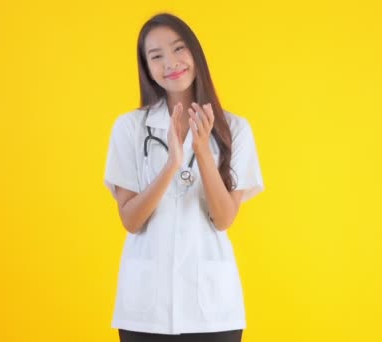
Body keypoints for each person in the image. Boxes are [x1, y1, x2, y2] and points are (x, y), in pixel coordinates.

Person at [103, 12, 264, 342]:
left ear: (195, 53)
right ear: (147, 68)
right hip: (146, 311)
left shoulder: (235, 129)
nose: (170, 63)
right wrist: (171, 165)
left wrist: (203, 150)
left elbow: (223, 218)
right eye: (156, 56)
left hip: (213, 309)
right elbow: (131, 220)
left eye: (178, 49)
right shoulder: (130, 128)